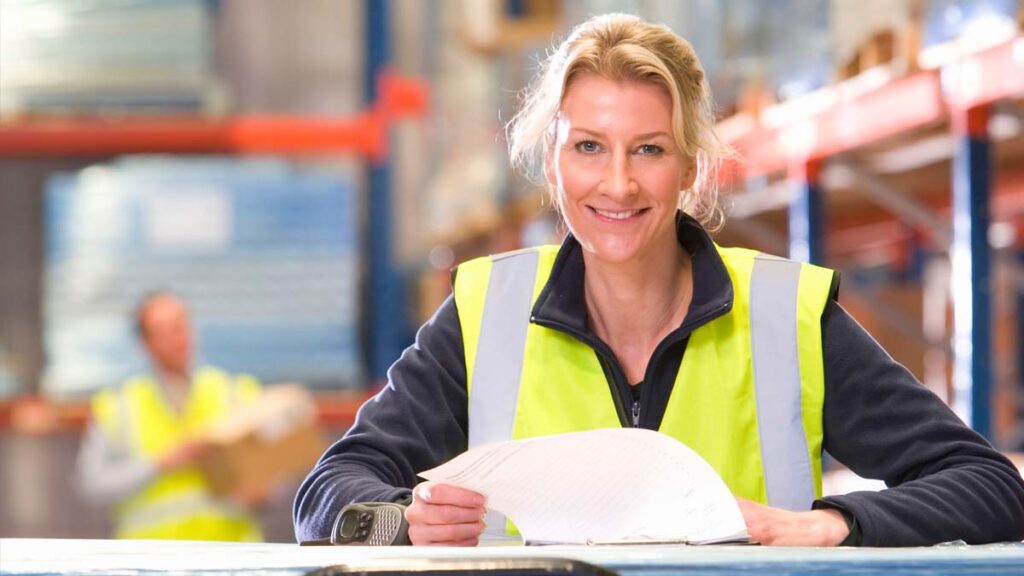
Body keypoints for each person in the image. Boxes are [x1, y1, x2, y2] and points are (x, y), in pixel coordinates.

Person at [293, 14, 1024, 547]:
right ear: (553, 163)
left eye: (648, 149)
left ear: (689, 167)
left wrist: (832, 521)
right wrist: (402, 521)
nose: (617, 183)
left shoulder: (782, 316)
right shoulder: (487, 314)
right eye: (588, 147)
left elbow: (993, 489)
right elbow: (328, 492)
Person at [76, 292, 265, 540]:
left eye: (180, 326)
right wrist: (161, 463)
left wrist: (261, 491)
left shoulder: (233, 392)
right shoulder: (120, 406)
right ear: (145, 343)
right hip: (150, 560)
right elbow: (93, 483)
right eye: (163, 330)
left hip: (229, 556)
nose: (176, 338)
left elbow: (274, 475)